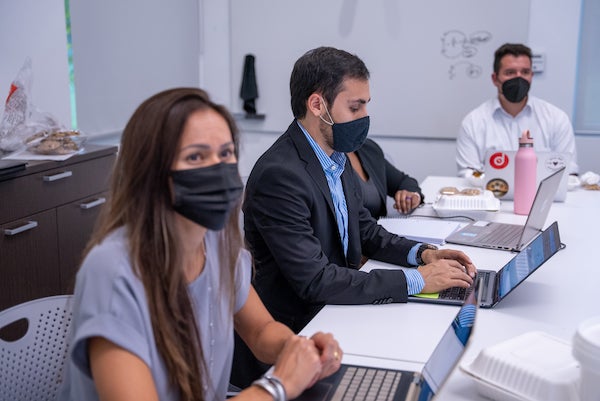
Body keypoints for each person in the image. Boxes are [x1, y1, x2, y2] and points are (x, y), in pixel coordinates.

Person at [59, 87, 342, 401]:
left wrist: (297, 350)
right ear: (150, 173)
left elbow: (260, 331)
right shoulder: (112, 271)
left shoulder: (216, 240)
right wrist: (278, 385)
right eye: (195, 156)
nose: (218, 168)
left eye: (225, 153)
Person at [232, 46, 476, 387]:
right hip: (292, 342)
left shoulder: (336, 155)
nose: (363, 117)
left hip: (335, 317)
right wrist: (418, 280)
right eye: (354, 106)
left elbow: (364, 228)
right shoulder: (280, 174)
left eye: (365, 105)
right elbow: (314, 279)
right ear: (317, 105)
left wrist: (423, 253)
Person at [456, 43, 579, 178]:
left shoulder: (556, 118)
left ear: (531, 76)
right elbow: (468, 173)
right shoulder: (473, 122)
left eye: (525, 72)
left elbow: (569, 171)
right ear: (495, 79)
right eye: (510, 72)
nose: (518, 78)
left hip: (544, 198)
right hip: (491, 196)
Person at [348, 138, 424, 217]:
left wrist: (411, 196)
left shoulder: (368, 148)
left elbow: (402, 180)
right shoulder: (335, 161)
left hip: (379, 227)